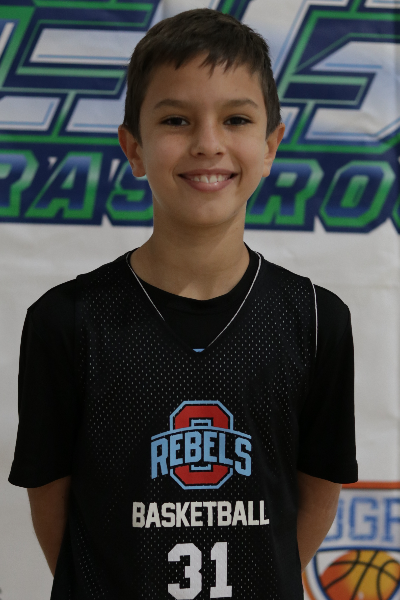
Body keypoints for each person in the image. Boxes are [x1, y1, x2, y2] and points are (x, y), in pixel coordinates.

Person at [8, 8, 357, 600]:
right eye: (176, 120)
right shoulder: (67, 320)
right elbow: (52, 502)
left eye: (236, 119)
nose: (208, 144)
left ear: (271, 146)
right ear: (134, 148)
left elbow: (319, 489)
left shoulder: (318, 319)